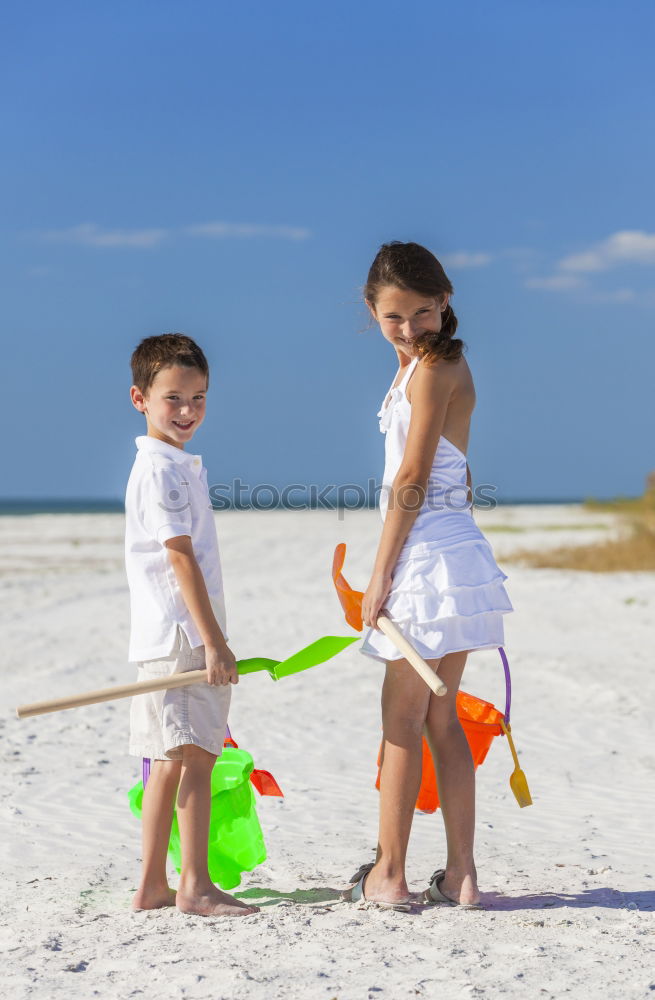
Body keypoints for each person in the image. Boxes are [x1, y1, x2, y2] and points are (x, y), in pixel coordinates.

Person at [344, 242, 513, 909]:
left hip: (426, 558)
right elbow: (458, 472)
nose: (410, 327)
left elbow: (411, 479)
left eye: (422, 312)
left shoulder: (433, 366)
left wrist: (379, 574)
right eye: (394, 316)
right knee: (441, 719)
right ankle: (461, 875)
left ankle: (388, 875)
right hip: (456, 554)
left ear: (445, 303)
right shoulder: (421, 366)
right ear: (371, 311)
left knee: (401, 719)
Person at [125, 332, 258, 917]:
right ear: (141, 398)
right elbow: (179, 557)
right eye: (173, 398)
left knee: (168, 760)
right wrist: (215, 642)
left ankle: (153, 883)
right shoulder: (162, 471)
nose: (187, 411)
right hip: (182, 640)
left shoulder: (170, 464)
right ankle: (194, 886)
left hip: (163, 638)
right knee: (197, 757)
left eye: (198, 398)